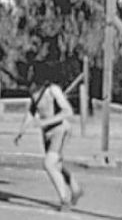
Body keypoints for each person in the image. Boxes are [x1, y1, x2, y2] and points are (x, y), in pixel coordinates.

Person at [14, 77, 84, 211]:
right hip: (47, 133)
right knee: (55, 165)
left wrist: (46, 122)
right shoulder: (35, 94)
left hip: (60, 129)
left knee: (49, 164)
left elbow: (68, 111)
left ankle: (64, 200)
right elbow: (31, 111)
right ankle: (75, 188)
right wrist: (21, 131)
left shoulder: (53, 90)